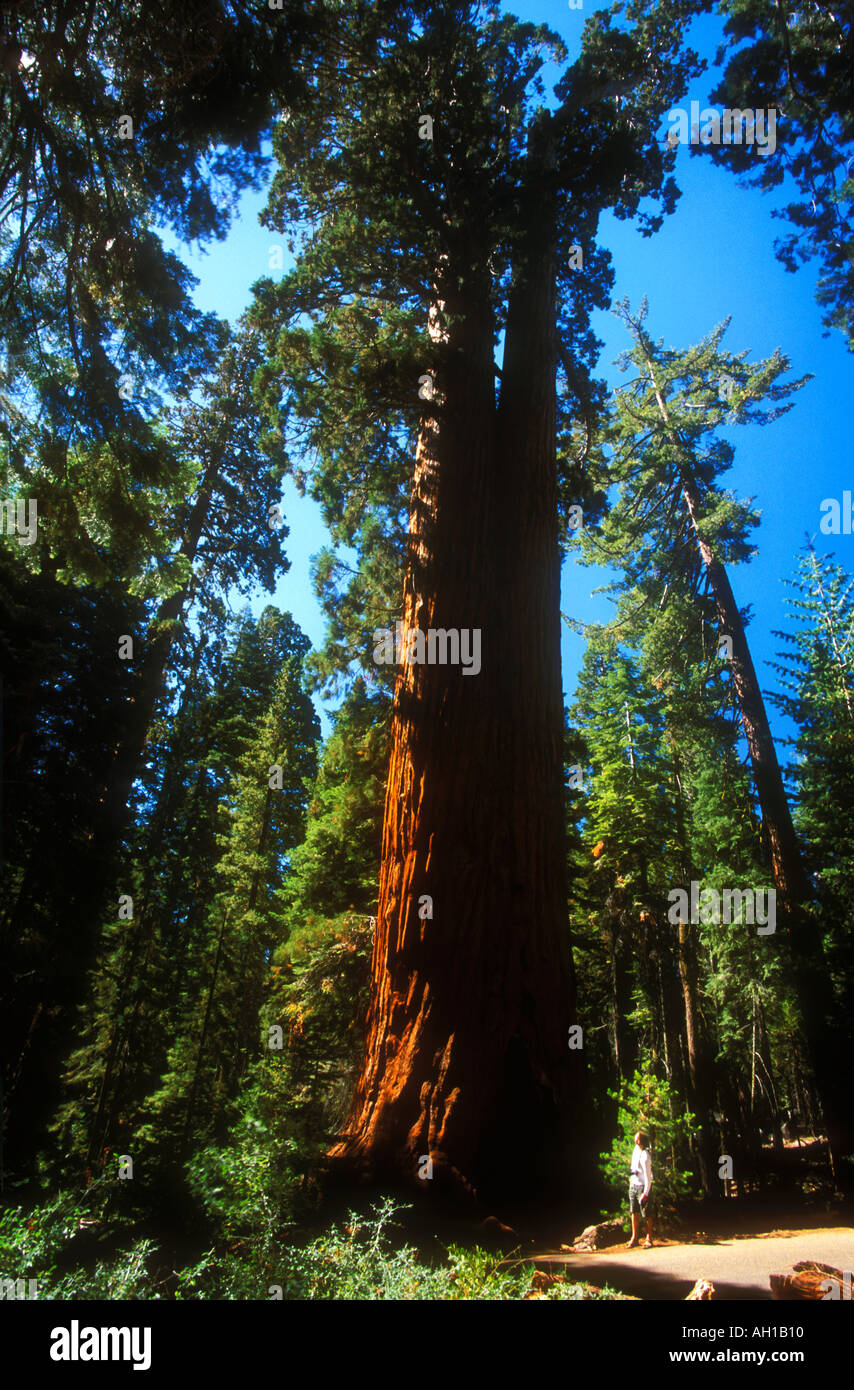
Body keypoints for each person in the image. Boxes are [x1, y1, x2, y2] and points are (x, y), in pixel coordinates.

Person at [627, 1129, 654, 1248]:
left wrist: (645, 1193)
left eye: (636, 1137)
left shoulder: (645, 1157)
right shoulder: (635, 1150)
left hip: (643, 1187)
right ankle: (634, 1238)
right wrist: (631, 1180)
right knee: (634, 1212)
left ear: (640, 1140)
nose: (634, 1138)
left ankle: (649, 1238)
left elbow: (649, 1177)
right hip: (633, 1185)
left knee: (646, 1213)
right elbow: (633, 1167)